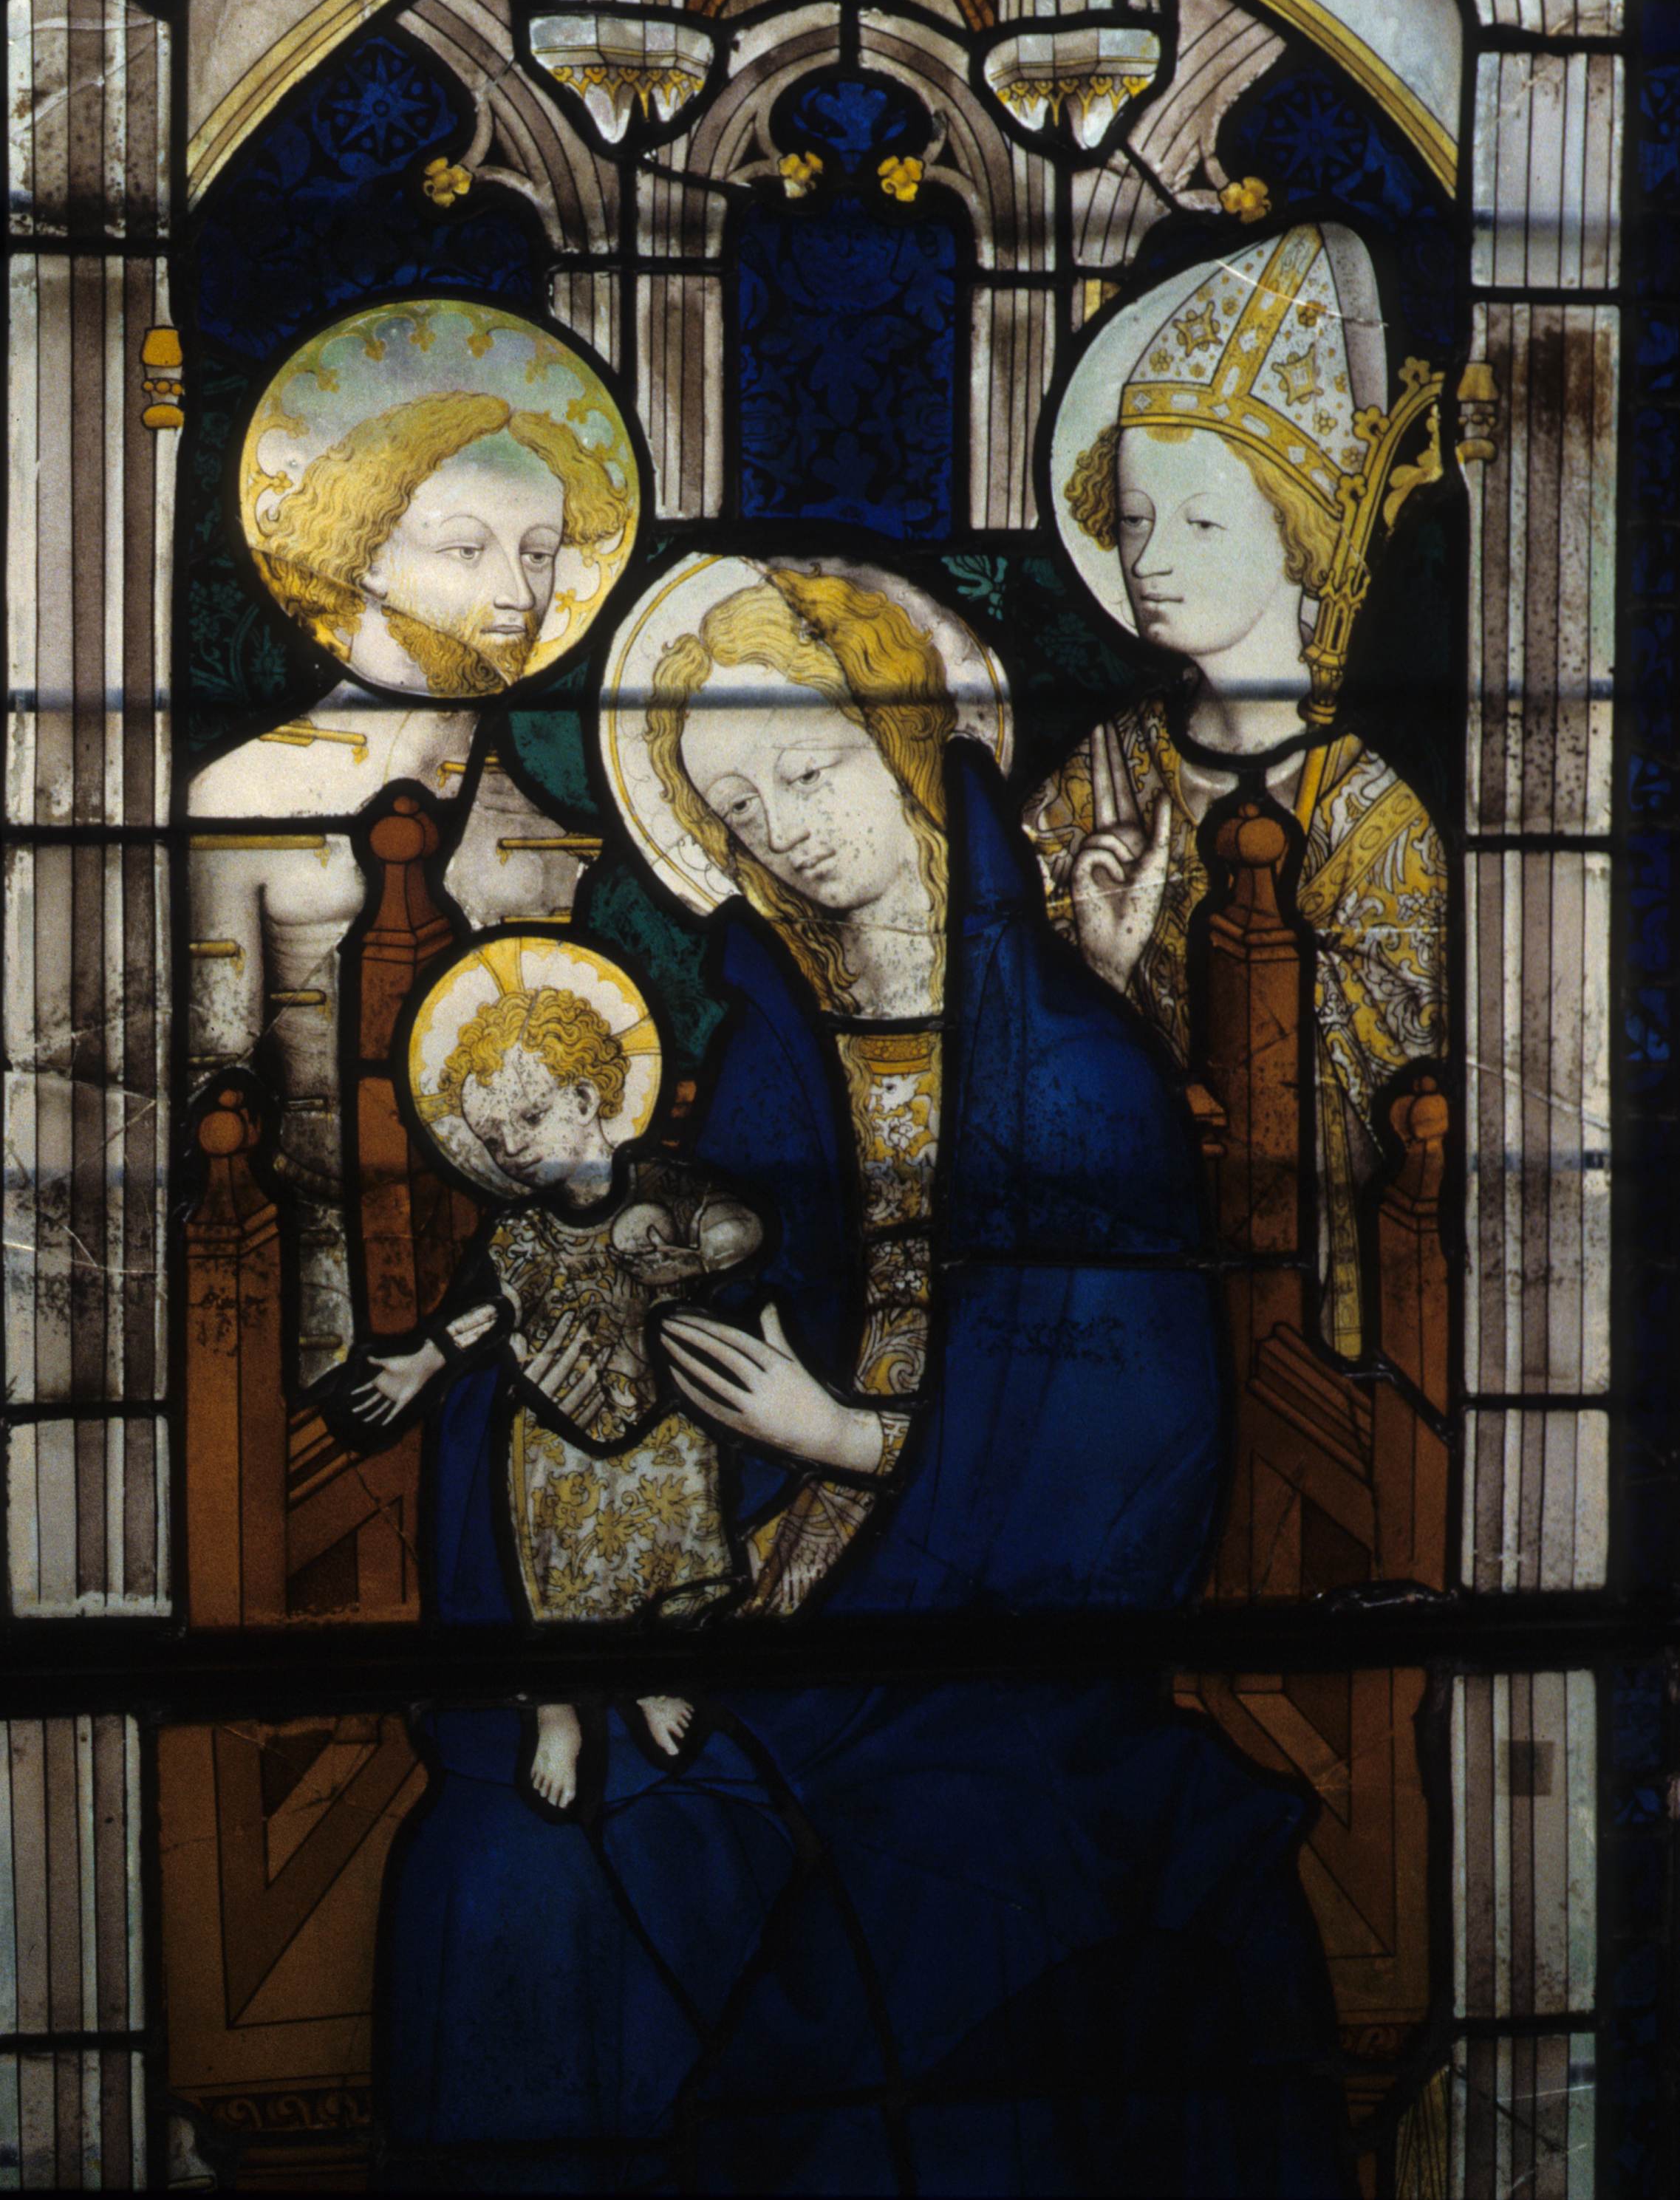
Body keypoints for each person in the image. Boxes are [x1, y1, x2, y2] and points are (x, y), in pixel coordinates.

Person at [377, 555, 1353, 2198]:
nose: (788, 833)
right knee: (501, 1858)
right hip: (751, 1579)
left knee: (933, 1877)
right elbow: (681, 1295)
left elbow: (1130, 1440)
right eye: (740, 809)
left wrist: (843, 1433)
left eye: (810, 768)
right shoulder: (769, 1044)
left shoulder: (1077, 1064)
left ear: (901, 737)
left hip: (996, 1645)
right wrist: (582, 1370)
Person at [188, 299, 638, 1380]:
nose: (519, 594)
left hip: (526, 1289)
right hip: (312, 1296)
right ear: (369, 554)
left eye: (540, 553)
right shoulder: (241, 799)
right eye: (467, 548)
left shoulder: (553, 819)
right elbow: (206, 1089)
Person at [1025, 222, 1448, 1358]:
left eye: (1200, 519)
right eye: (1131, 519)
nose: (1147, 557)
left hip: (1319, 1324)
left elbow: (1403, 1102)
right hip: (1109, 1292)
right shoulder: (1093, 783)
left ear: (1297, 533)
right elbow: (1000, 1051)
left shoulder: (1373, 817)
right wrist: (1099, 972)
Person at [344, 951, 762, 1805]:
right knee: (555, 1559)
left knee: (671, 1540)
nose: (515, 1151)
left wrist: (706, 1253)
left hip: (662, 1423)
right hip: (558, 1435)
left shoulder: (665, 1184)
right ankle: (558, 1712)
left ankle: (654, 1674)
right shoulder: (520, 1232)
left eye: (530, 1117)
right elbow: (489, 1312)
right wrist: (424, 1360)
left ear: (584, 1096)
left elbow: (740, 1226)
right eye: (495, 1139)